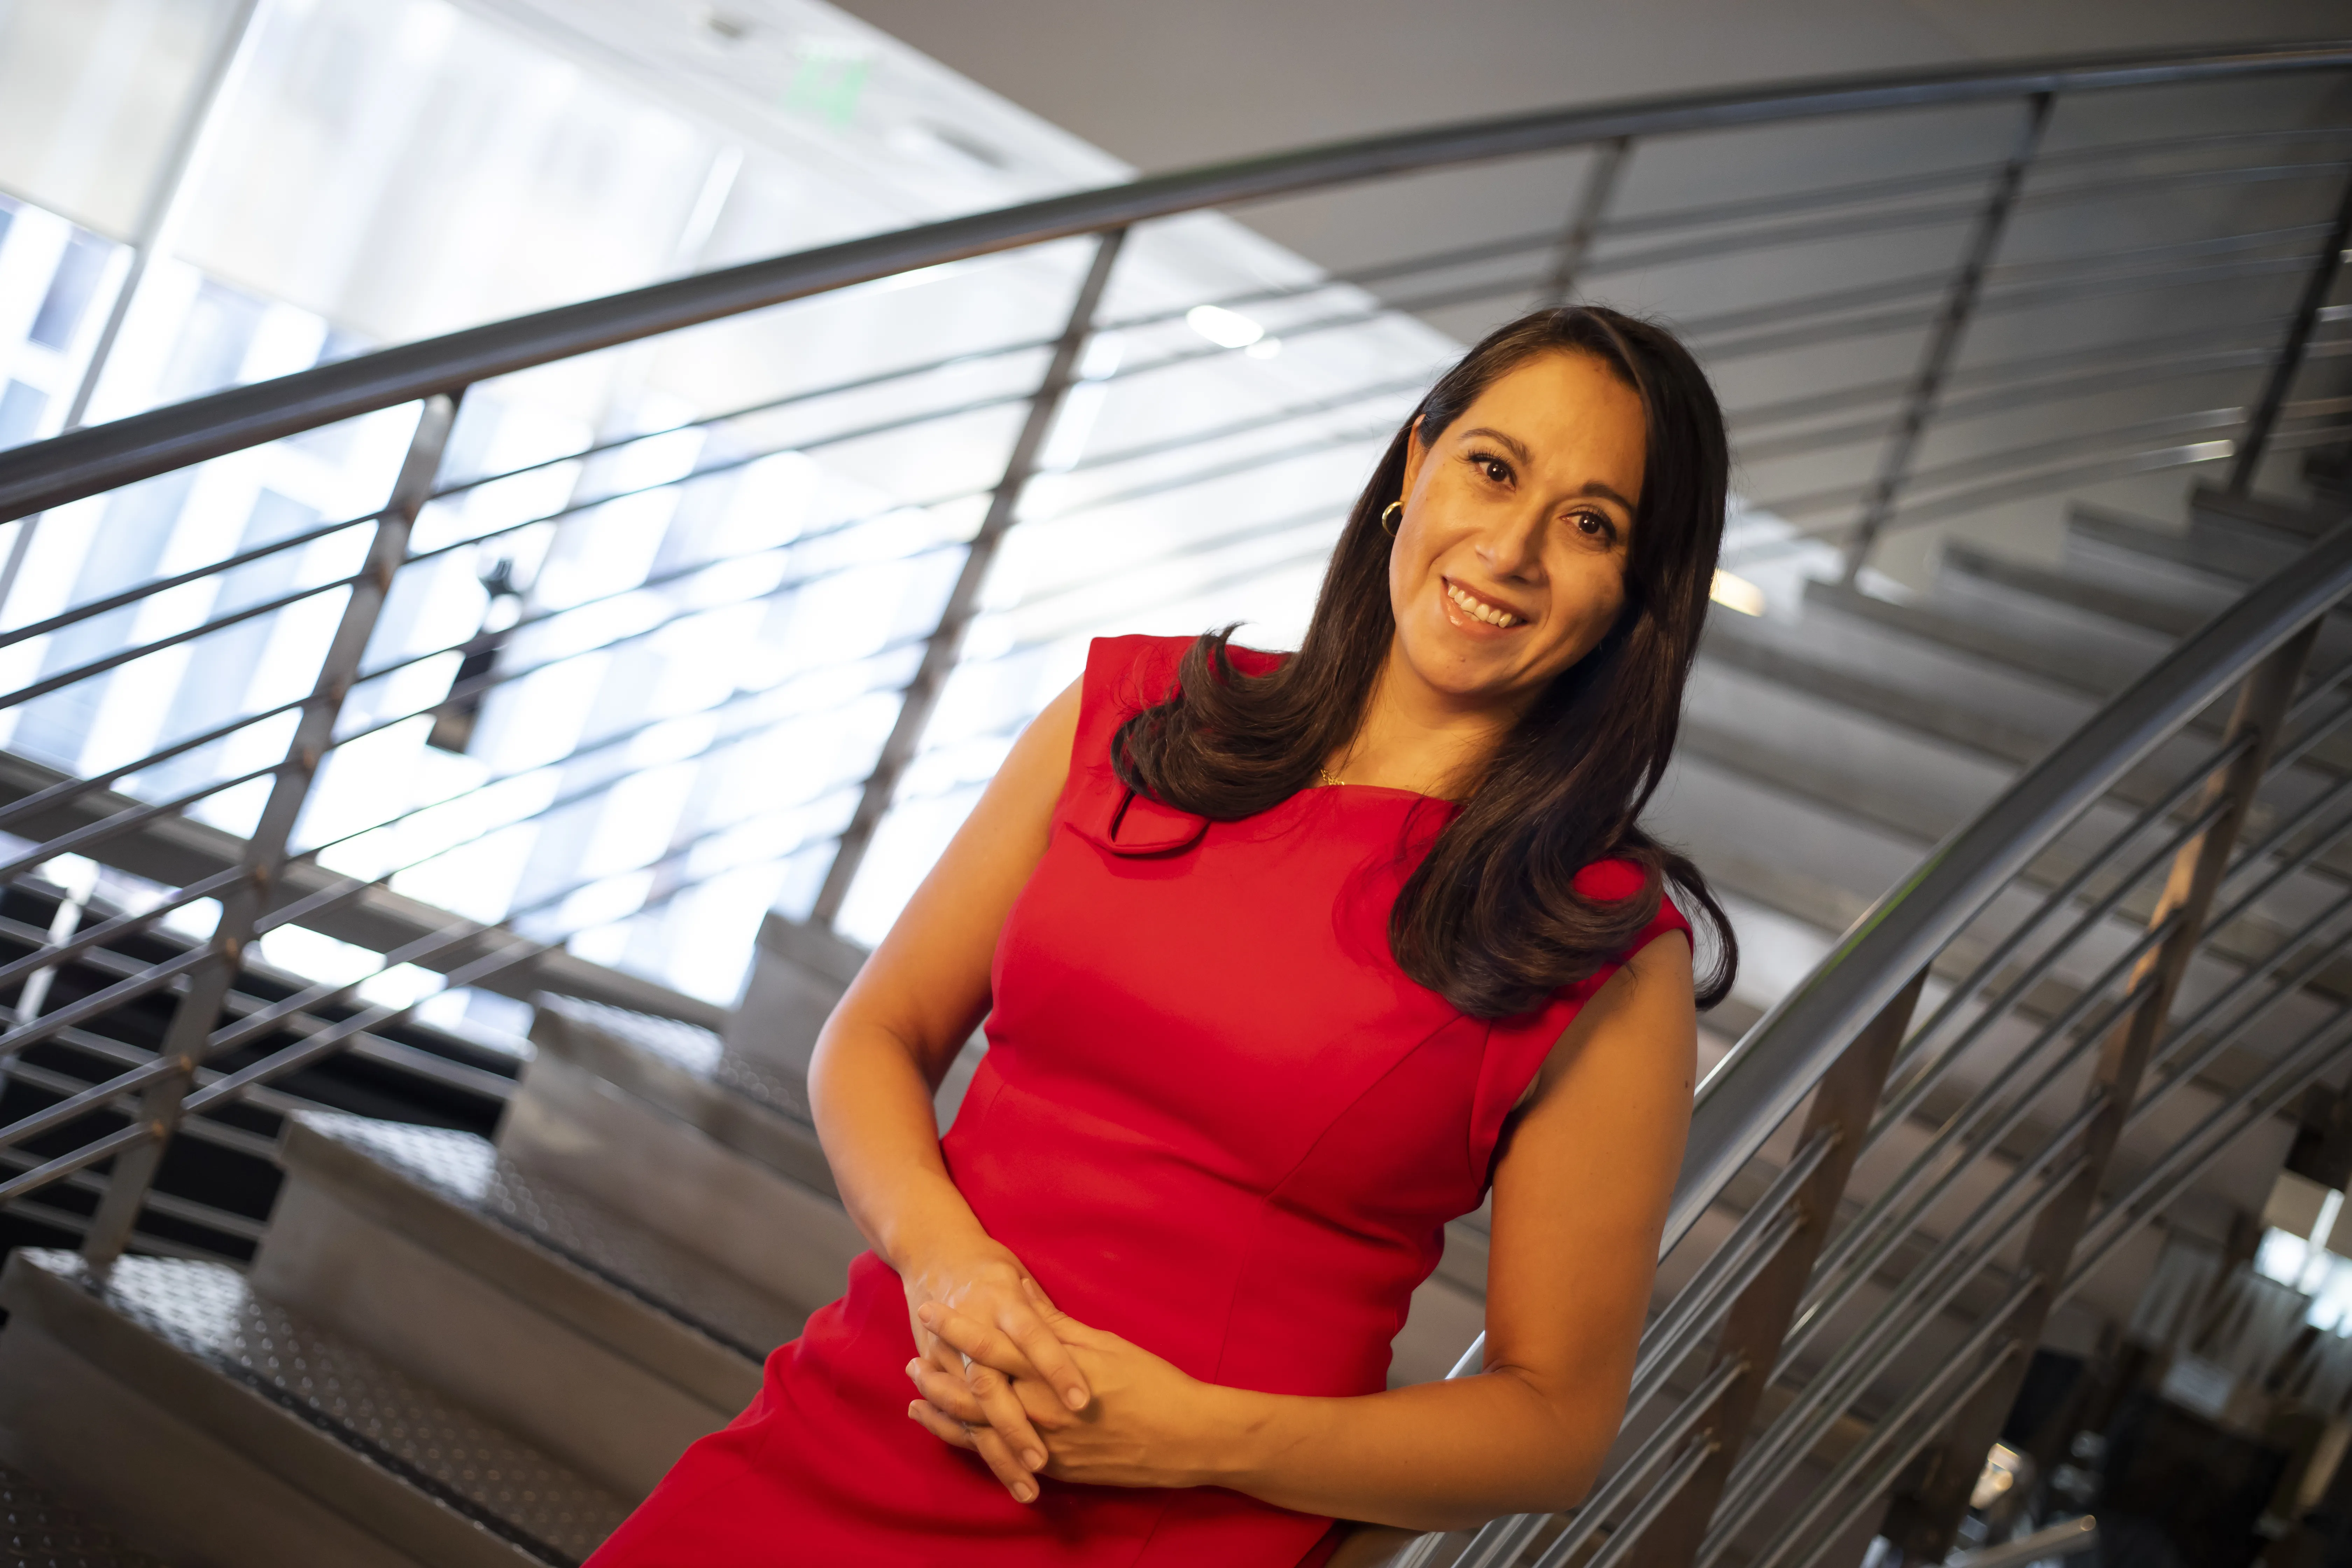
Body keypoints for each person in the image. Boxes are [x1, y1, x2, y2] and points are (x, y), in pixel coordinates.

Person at [586, 304, 1738, 1567]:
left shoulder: (1605, 949)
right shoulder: (1136, 716)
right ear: (1416, 466)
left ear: (1639, 591)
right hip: (854, 1426)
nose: (1511, 546)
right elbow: (875, 1034)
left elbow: (1552, 1428)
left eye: (1590, 524)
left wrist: (1194, 1440)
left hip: (1163, 1534)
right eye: (1493, 467)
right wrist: (947, 1263)